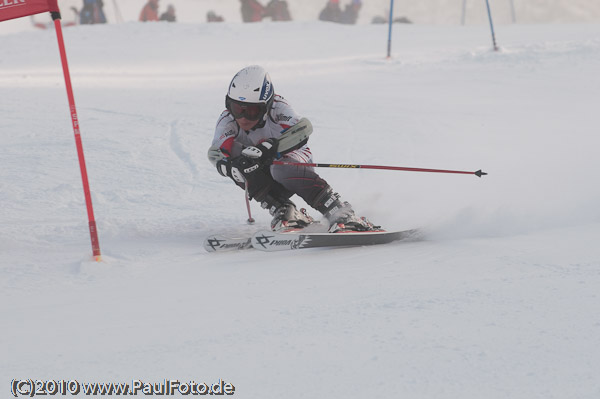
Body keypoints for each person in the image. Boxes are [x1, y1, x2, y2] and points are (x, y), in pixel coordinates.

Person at [207, 65, 375, 232]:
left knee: (280, 168)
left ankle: (339, 210)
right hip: (263, 170)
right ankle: (283, 208)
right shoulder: (228, 120)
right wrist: (228, 166)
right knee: (239, 165)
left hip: (293, 163)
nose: (243, 118)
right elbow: (216, 152)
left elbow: (304, 128)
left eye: (251, 111)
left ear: (266, 106)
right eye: (237, 109)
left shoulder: (278, 108)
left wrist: (270, 148)